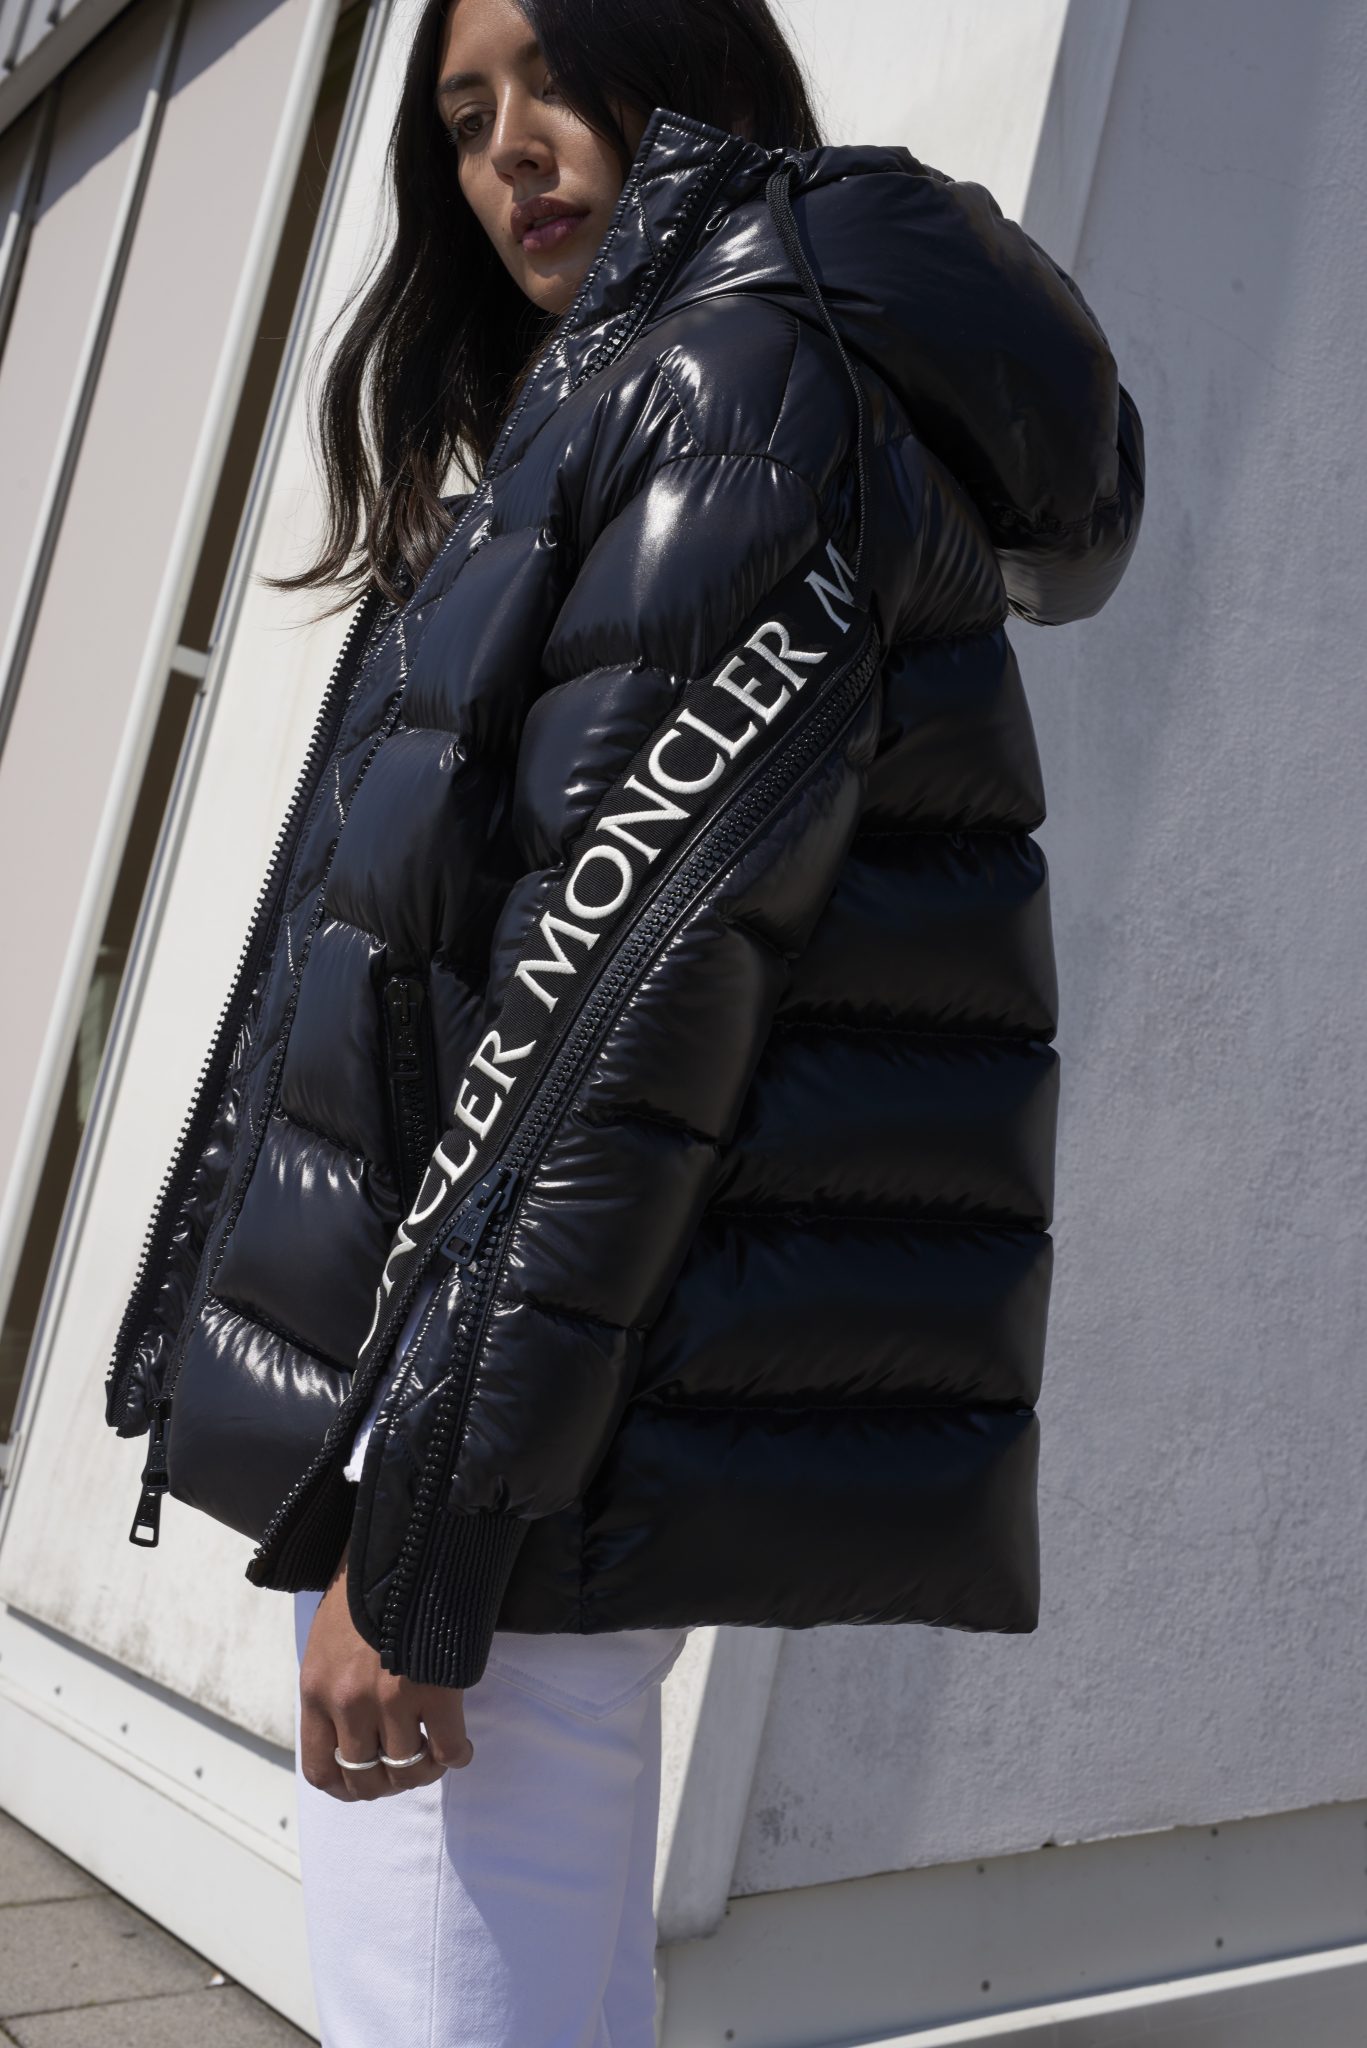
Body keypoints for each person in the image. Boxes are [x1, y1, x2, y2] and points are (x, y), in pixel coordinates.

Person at [102, 0, 1146, 2037]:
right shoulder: (656, 397)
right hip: (526, 1415)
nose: (508, 149)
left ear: (688, 60)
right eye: (462, 113)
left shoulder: (733, 389)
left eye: (553, 76)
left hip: (510, 1447)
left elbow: (608, 1018)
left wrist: (425, 1520)